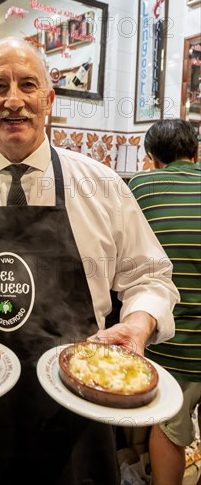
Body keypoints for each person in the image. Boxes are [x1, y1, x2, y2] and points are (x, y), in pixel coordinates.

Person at [0, 38, 179, 485]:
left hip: (79, 413)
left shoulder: (101, 187)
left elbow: (151, 277)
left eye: (28, 85)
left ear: (49, 100)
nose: (13, 100)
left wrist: (140, 323)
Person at [129, 119, 201, 485]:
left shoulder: (140, 185)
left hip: (175, 343)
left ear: (151, 158)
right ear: (196, 153)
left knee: (170, 426)